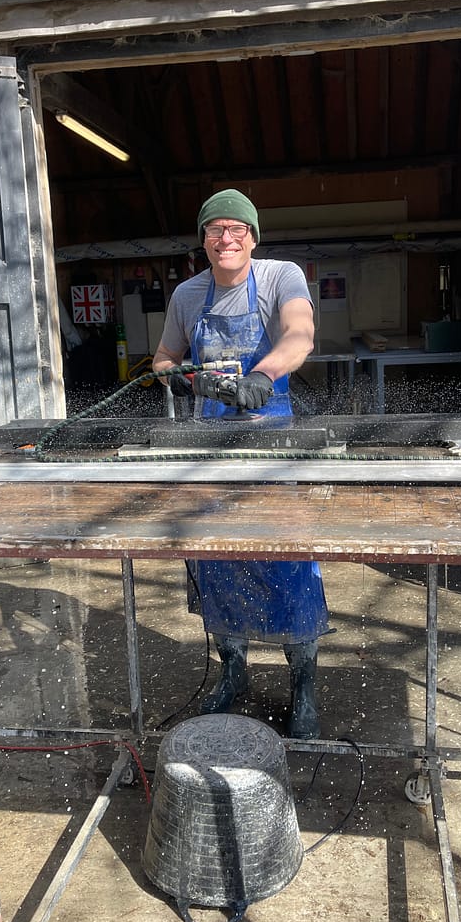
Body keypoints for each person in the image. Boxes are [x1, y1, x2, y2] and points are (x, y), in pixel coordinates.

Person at [152, 189, 329, 739]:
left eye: (236, 230)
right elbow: (163, 359)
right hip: (208, 452)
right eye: (214, 230)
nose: (225, 239)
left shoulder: (280, 277)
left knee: (288, 560)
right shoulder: (187, 294)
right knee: (218, 562)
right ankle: (233, 671)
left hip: (273, 443)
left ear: (252, 237)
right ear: (203, 239)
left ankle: (303, 682)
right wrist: (188, 379)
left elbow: (301, 334)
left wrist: (263, 376)